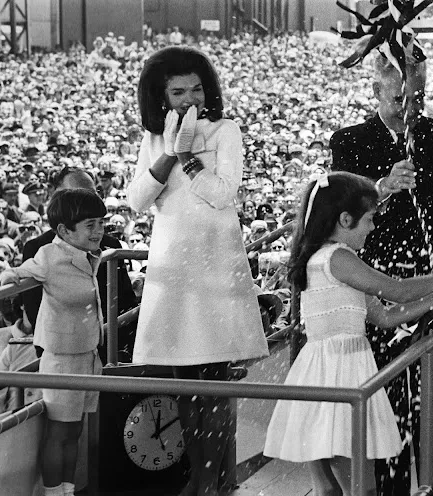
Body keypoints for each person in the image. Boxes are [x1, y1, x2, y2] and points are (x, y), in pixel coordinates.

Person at [330, 53, 433, 491]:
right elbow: (340, 216)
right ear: (375, 93)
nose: (409, 109)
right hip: (381, 289)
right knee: (385, 409)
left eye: (418, 97)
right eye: (398, 99)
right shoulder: (349, 143)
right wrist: (382, 188)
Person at [263, 172, 433, 496]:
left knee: (329, 489)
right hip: (340, 374)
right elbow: (396, 291)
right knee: (363, 488)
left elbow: (386, 316)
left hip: (319, 373)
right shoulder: (337, 257)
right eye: (370, 219)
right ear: (345, 219)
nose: (373, 227)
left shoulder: (323, 258)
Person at [128, 45, 268, 496]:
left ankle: (216, 480)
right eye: (177, 91)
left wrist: (189, 159)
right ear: (161, 96)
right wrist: (169, 152)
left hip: (213, 264)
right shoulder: (152, 139)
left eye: (195, 89)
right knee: (183, 384)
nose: (189, 99)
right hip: (173, 267)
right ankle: (202, 477)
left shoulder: (227, 130)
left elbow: (224, 193)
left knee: (214, 383)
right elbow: (136, 201)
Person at [0, 188, 108, 496]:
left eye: (101, 223)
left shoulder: (89, 254)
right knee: (58, 433)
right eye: (91, 225)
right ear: (64, 230)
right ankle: (52, 493)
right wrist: (9, 276)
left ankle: (67, 491)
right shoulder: (49, 255)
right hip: (61, 359)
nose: (99, 231)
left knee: (75, 432)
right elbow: (22, 272)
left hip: (87, 355)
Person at [22, 167, 137, 363]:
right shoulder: (38, 248)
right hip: (66, 354)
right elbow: (36, 313)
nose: (88, 203)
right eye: (78, 196)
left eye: (92, 194)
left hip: (113, 354)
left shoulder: (111, 246)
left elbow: (126, 302)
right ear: (57, 196)